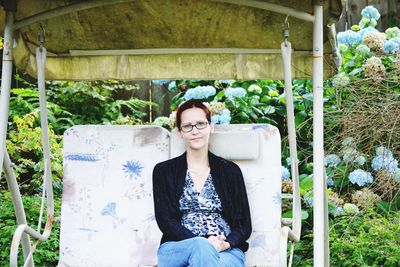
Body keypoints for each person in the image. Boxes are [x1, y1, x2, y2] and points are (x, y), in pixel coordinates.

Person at [152, 99, 252, 267]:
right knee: (201, 247)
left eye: (200, 124)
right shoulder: (164, 171)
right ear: (180, 131)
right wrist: (203, 242)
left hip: (225, 251)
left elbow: (244, 225)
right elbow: (166, 221)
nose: (195, 131)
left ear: (210, 127)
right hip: (177, 249)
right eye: (187, 126)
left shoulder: (230, 171)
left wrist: (225, 244)